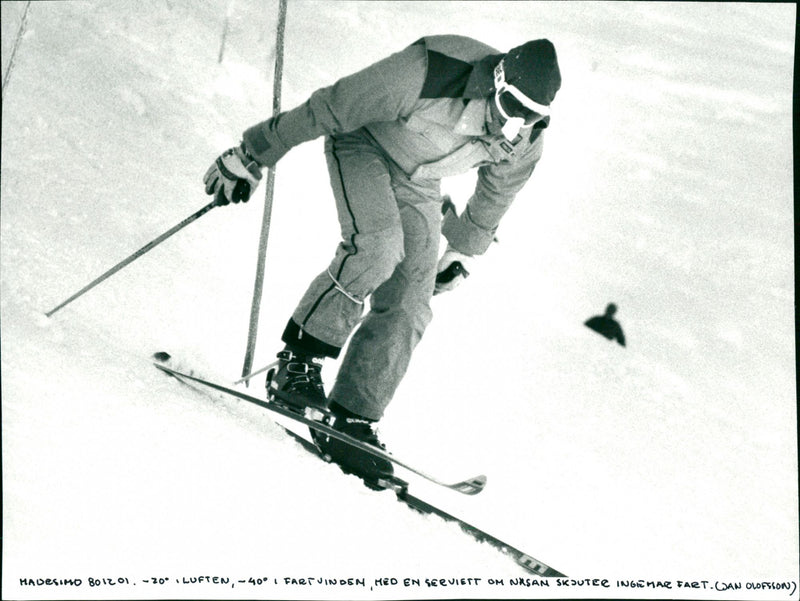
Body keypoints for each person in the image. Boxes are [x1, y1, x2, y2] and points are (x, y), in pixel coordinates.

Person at [203, 35, 562, 482]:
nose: (516, 123)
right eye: (512, 107)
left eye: (533, 116)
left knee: (413, 297)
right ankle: (296, 364)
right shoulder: (431, 70)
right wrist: (253, 153)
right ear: (497, 80)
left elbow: (498, 190)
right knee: (378, 247)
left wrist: (463, 251)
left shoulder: (525, 135)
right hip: (363, 145)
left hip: (421, 181)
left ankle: (353, 417)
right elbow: (331, 107)